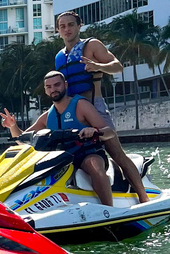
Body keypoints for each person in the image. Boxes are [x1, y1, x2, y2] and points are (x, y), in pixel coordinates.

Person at [55, 11, 149, 203]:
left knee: (115, 152)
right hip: (74, 112)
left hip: (94, 106)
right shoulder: (59, 57)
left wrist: (99, 66)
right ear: (58, 30)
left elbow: (118, 66)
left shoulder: (91, 45)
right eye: (62, 26)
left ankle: (144, 198)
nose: (67, 29)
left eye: (71, 24)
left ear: (79, 26)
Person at [0, 71, 116, 206]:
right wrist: (13, 126)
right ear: (45, 90)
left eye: (57, 85)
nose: (53, 89)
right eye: (49, 87)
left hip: (88, 154)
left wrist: (94, 130)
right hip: (63, 159)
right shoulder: (47, 116)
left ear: (65, 85)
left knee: (93, 165)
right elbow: (23, 139)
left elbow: (110, 132)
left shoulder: (81, 105)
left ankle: (109, 208)